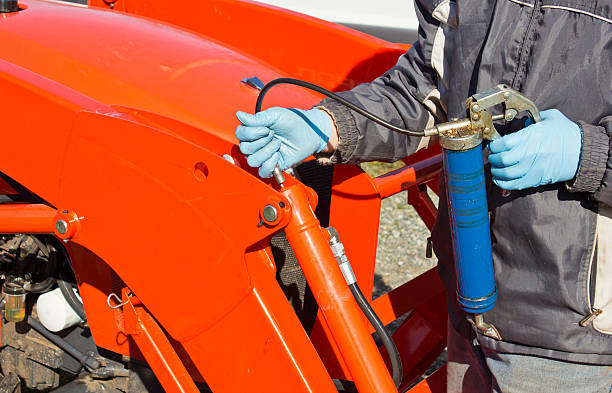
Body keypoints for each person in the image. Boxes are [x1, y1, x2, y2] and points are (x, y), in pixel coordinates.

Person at [235, 1, 612, 392]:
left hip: (574, 335)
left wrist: (587, 154)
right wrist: (327, 125)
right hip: (470, 302)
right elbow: (423, 89)